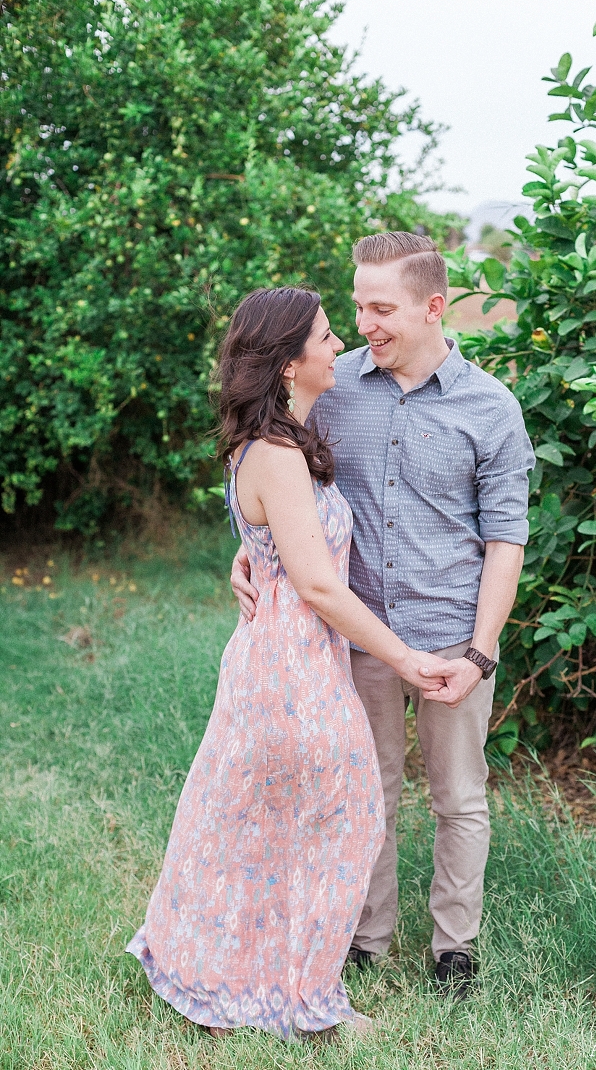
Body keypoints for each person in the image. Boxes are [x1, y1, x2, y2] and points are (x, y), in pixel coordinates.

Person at [126, 286, 457, 1042]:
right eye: (327, 335)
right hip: (291, 669)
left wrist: (250, 549)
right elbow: (314, 582)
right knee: (342, 816)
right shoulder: (274, 453)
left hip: (282, 659)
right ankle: (305, 1001)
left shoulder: (280, 442)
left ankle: (229, 972)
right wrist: (406, 658)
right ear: (287, 364)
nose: (340, 344)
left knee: (253, 820)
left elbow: (277, 537)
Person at [231, 233, 535, 1000]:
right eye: (358, 304)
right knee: (367, 792)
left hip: (452, 642)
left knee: (458, 797)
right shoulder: (333, 389)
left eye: (381, 307)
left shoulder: (491, 408)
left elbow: (506, 541)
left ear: (433, 307)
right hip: (355, 640)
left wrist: (481, 651)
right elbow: (276, 480)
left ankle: (453, 950)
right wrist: (248, 552)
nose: (364, 321)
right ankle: (365, 939)